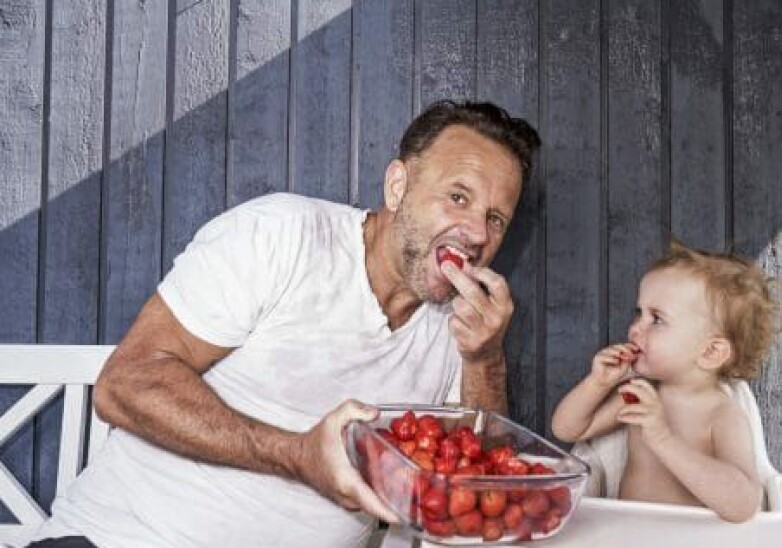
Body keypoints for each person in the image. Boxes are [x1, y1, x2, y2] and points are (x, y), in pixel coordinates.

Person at [27, 100, 541, 548]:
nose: (476, 232)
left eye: (496, 218)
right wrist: (297, 454)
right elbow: (125, 385)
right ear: (398, 185)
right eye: (458, 197)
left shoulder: (467, 326)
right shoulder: (283, 234)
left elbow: (478, 494)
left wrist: (484, 358)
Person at [551, 242, 782, 523]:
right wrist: (597, 383)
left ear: (710, 352)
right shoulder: (641, 394)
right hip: (627, 536)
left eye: (657, 319)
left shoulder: (722, 415)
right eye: (638, 312)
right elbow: (568, 430)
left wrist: (663, 438)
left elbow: (742, 504)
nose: (635, 327)